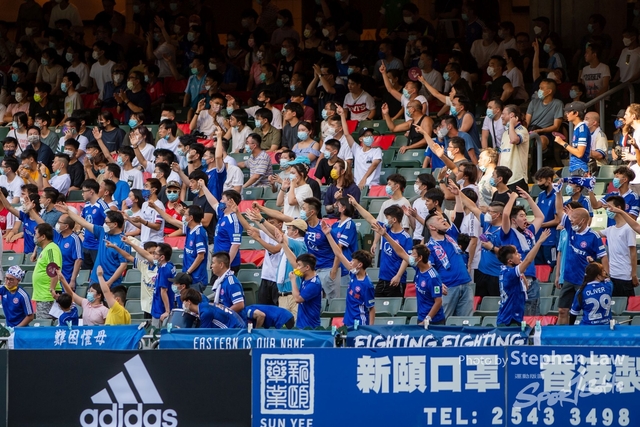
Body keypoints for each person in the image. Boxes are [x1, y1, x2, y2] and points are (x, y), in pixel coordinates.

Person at [554, 186, 609, 325]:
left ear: (583, 220)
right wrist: (558, 193)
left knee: (584, 310)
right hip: (568, 278)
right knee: (562, 310)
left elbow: (603, 256)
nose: (570, 220)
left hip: (584, 281)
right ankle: (563, 336)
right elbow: (559, 211)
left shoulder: (593, 236)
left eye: (573, 218)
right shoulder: (570, 229)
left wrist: (606, 275)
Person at [57, 204, 129, 289]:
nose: (104, 224)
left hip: (112, 284)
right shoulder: (102, 232)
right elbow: (84, 223)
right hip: (95, 281)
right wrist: (68, 211)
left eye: (106, 222)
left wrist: (109, 282)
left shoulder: (124, 241)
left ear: (115, 224)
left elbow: (123, 265)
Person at [352, 199, 412, 298]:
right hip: (382, 278)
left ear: (394, 220)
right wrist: (356, 204)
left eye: (387, 217)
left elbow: (406, 259)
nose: (385, 220)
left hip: (396, 280)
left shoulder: (406, 237)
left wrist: (398, 276)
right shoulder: (385, 228)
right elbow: (369, 218)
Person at [321, 220, 375, 327]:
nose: (350, 262)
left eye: (353, 261)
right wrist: (328, 234)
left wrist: (371, 329)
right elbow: (339, 254)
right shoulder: (353, 274)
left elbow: (372, 308)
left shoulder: (367, 284)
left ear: (359, 265)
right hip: (348, 321)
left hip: (360, 323)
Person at [423, 213, 474, 318]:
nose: (443, 220)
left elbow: (459, 214)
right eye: (439, 219)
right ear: (432, 227)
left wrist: (458, 197)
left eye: (443, 218)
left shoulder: (451, 236)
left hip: (466, 283)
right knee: (445, 320)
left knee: (466, 321)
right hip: (448, 288)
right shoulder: (429, 247)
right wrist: (438, 283)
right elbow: (428, 269)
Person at [497, 229, 551, 326]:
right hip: (509, 320)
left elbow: (526, 287)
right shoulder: (509, 273)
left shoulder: (506, 270)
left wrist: (522, 273)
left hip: (514, 317)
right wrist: (539, 242)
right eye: (516, 254)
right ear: (510, 261)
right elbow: (528, 261)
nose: (519, 255)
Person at [150, 204, 209, 292]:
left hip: (196, 279)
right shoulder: (189, 228)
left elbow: (200, 256)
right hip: (188, 277)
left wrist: (188, 272)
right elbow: (170, 219)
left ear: (191, 217)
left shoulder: (199, 233)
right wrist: (155, 207)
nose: (183, 217)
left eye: (185, 215)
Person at [596, 196, 637, 298]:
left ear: (618, 208)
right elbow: (594, 233)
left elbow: (633, 253)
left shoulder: (628, 228)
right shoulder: (610, 229)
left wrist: (633, 274)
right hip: (612, 276)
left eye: (609, 207)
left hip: (625, 276)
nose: (607, 210)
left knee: (626, 304)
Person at [279, 234, 322, 328]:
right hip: (301, 325)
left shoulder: (314, 284)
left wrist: (293, 280)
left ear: (307, 267)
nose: (297, 268)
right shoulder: (306, 276)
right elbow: (292, 261)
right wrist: (283, 244)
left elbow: (298, 299)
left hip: (310, 327)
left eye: (299, 265)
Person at [336, 106, 382, 189]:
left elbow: (374, 165)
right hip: (357, 186)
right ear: (360, 139)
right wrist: (342, 115)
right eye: (366, 135)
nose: (370, 137)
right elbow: (346, 134)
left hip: (372, 186)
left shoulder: (377, 150)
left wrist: (364, 179)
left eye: (371, 135)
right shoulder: (357, 150)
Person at [30, 223, 62, 319]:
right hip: (43, 295)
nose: (35, 237)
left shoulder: (51, 249)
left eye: (36, 234)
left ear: (43, 236)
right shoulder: (45, 249)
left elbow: (55, 269)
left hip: (48, 296)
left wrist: (52, 289)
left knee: (45, 325)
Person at [533, 167, 561, 267]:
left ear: (549, 180)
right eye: (537, 181)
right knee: (539, 268)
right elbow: (537, 216)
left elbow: (557, 220)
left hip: (550, 239)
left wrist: (540, 225)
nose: (538, 184)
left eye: (540, 181)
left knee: (551, 267)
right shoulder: (541, 195)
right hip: (538, 238)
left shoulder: (557, 196)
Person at [499, 105, 529, 193]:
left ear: (511, 115)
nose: (501, 116)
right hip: (505, 180)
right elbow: (501, 155)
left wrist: (511, 124)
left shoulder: (522, 130)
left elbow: (514, 140)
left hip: (517, 179)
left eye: (503, 114)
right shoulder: (505, 133)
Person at [554, 102, 590, 175]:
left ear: (576, 113)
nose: (566, 114)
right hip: (576, 168)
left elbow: (579, 153)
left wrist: (562, 143)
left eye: (568, 112)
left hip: (580, 169)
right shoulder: (578, 128)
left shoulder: (582, 130)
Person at [181, 288, 246, 329]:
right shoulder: (205, 306)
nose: (183, 304)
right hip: (237, 328)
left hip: (236, 331)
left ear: (189, 302)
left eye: (183, 302)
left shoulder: (205, 312)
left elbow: (204, 335)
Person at [209, 251, 246, 318]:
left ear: (221, 265)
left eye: (213, 263)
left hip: (234, 321)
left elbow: (239, 305)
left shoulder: (232, 283)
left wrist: (223, 315)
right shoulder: (220, 281)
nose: (211, 266)